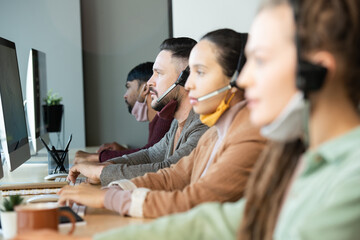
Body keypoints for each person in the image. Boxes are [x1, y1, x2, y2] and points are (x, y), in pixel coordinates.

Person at [15, 0, 360, 239]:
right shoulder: (303, 159)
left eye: (262, 60)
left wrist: (108, 194)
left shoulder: (349, 179)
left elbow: (200, 203)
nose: (245, 79)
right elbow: (223, 218)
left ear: (316, 72)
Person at [57, 29, 265, 218]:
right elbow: (173, 176)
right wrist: (114, 187)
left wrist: (107, 197)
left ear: (237, 80)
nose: (189, 84)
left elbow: (193, 200)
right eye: (190, 74)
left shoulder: (248, 135)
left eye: (199, 73)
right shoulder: (215, 134)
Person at [67, 37, 209, 186]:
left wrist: (102, 172)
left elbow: (169, 170)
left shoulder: (202, 124)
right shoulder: (177, 123)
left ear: (184, 79)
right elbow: (150, 155)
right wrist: (104, 165)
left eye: (158, 73)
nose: (149, 83)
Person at [74, 62, 176, 163]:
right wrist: (123, 151)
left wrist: (96, 157)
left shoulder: (165, 117)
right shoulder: (157, 119)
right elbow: (149, 152)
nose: (125, 95)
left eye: (128, 86)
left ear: (145, 88)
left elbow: (152, 156)